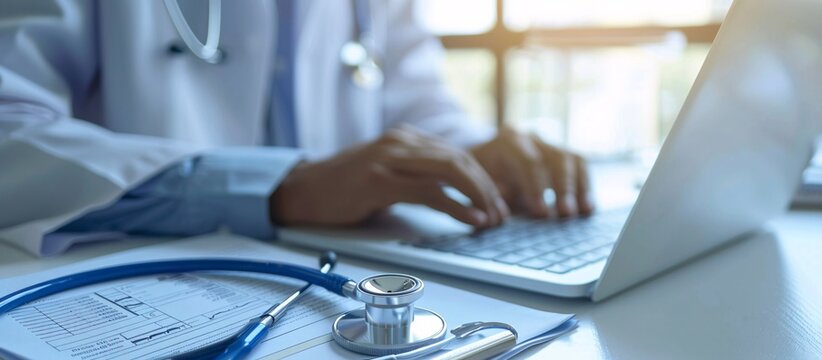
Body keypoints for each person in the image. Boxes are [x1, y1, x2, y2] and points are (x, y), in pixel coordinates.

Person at [0, 0, 593, 257]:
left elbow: (413, 100)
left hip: (338, 282)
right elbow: (10, 134)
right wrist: (282, 186)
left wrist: (473, 155)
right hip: (136, 296)